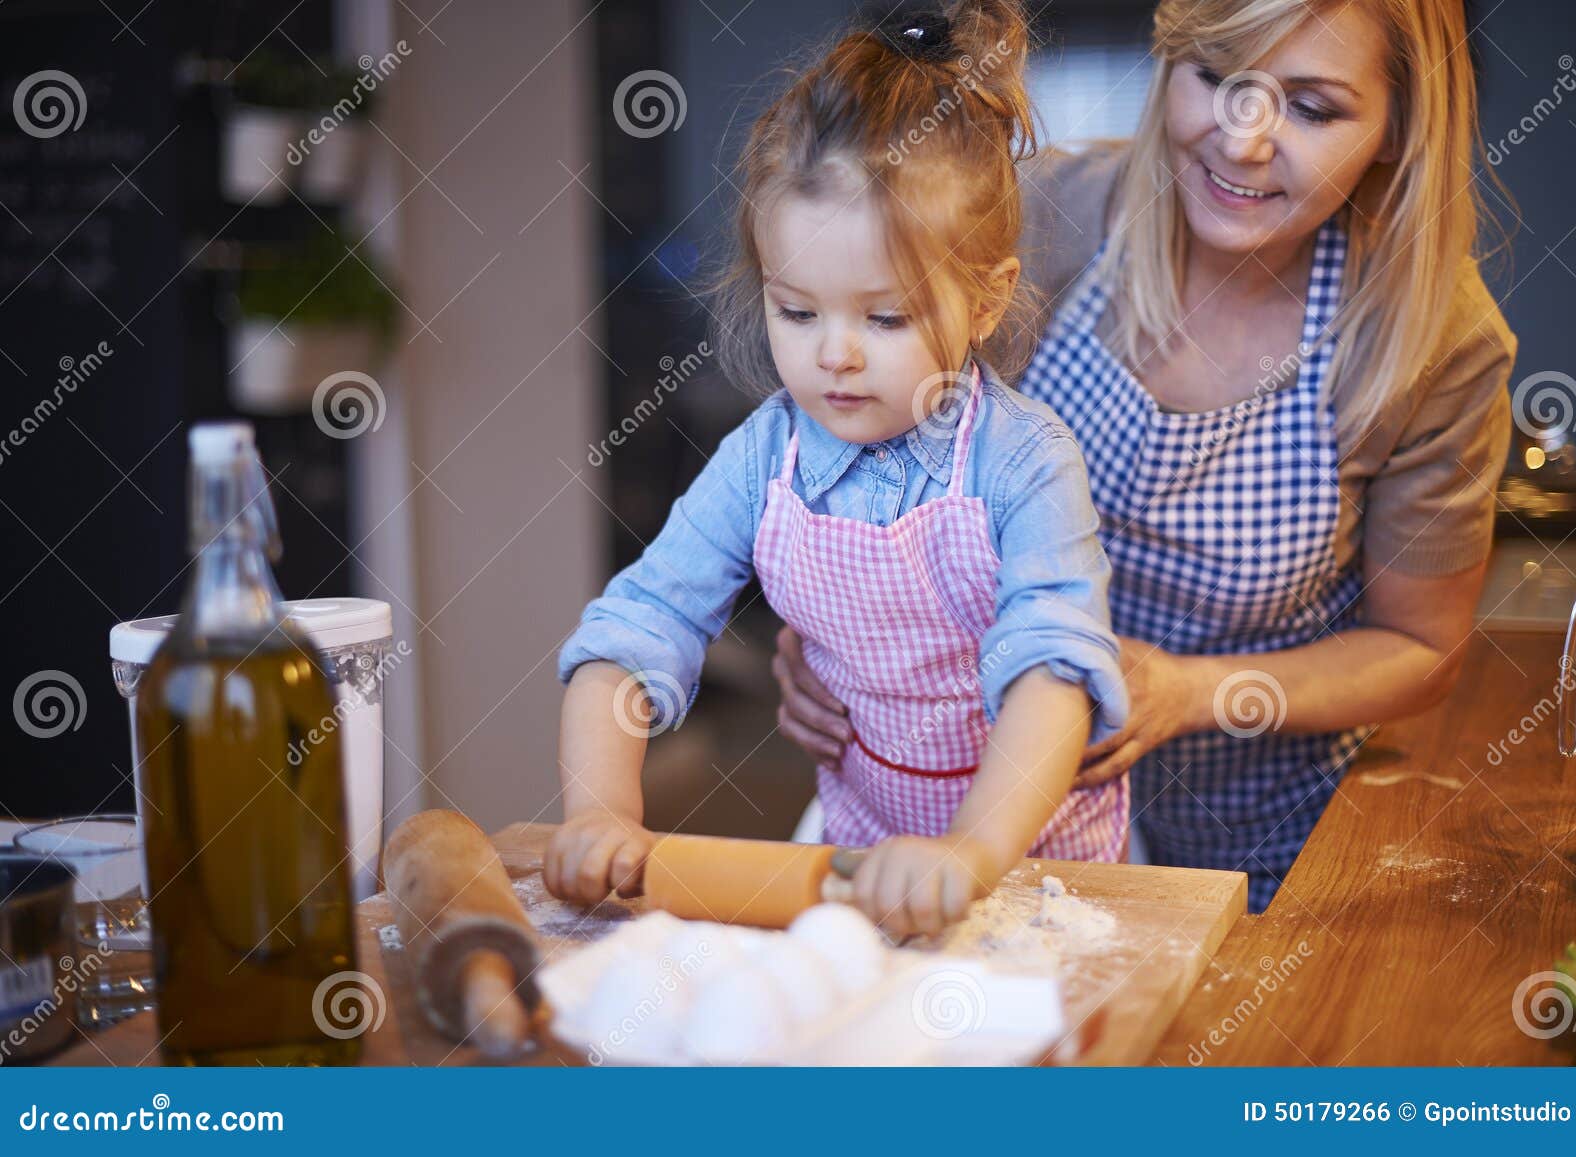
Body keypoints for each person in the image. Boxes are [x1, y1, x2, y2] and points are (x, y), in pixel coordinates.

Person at [774, 0, 1517, 912]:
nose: (1242, 142)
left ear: (1400, 125)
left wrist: (1190, 690)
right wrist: (826, 628)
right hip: (980, 821)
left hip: (1254, 851)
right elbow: (864, 444)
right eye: (1215, 76)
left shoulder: (1432, 334)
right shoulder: (1048, 218)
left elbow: (1419, 648)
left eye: (1314, 109)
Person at [546, 0, 1130, 937]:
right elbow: (637, 627)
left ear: (988, 301)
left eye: (885, 318)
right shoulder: (760, 460)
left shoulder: (1024, 464)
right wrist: (600, 811)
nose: (836, 356)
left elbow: (1051, 673)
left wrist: (969, 852)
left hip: (1038, 874)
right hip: (854, 855)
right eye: (798, 312)